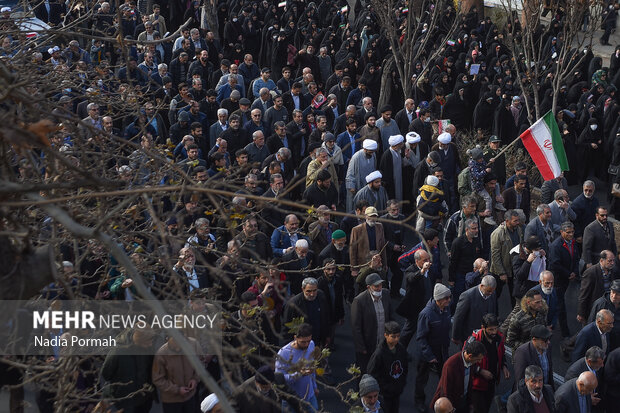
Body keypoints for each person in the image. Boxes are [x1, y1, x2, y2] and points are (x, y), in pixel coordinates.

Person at [415, 284, 452, 411]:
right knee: (422, 378)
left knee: (444, 376)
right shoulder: (426, 314)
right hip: (428, 353)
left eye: (449, 297)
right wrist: (429, 355)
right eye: (446, 298)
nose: (449, 300)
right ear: (438, 299)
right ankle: (419, 400)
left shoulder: (446, 309)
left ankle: (442, 400)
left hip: (442, 351)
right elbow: (421, 337)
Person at [101, 328, 156, 413]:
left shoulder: (147, 349)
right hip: (125, 400)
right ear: (139, 340)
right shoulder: (118, 351)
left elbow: (149, 370)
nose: (150, 344)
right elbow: (106, 374)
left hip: (143, 399)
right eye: (148, 342)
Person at [351, 273, 395, 373]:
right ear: (368, 287)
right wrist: (361, 347)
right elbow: (356, 327)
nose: (379, 288)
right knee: (365, 372)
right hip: (368, 345)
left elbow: (391, 317)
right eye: (376, 286)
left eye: (380, 285)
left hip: (383, 343)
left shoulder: (386, 294)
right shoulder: (359, 301)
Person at [466, 314, 509, 413]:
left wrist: (504, 366)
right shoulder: (474, 340)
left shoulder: (498, 338)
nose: (494, 332)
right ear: (483, 327)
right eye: (490, 330)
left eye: (495, 329)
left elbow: (501, 353)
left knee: (486, 406)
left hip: (491, 381)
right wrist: (480, 371)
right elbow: (466, 361)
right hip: (476, 384)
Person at [430, 340, 487, 413]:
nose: (479, 362)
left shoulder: (471, 362)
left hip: (463, 400)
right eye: (478, 359)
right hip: (452, 404)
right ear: (470, 356)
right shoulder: (451, 365)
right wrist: (450, 410)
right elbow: (446, 390)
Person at [275, 323, 319, 412]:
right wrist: (299, 374)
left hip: (309, 395)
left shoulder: (311, 344)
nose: (306, 344)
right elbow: (279, 379)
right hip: (291, 399)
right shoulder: (283, 353)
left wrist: (314, 386)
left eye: (308, 341)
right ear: (295, 338)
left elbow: (312, 368)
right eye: (303, 342)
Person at [152, 334, 201, 412]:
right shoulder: (161, 354)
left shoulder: (194, 344)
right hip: (171, 401)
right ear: (168, 340)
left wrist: (195, 379)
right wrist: (177, 390)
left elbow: (200, 364)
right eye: (175, 348)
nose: (178, 349)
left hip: (190, 396)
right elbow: (157, 379)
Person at [367, 321, 409, 413]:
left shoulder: (401, 349)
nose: (396, 339)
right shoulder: (379, 354)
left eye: (398, 336)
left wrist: (401, 384)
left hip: (396, 390)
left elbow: (405, 367)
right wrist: (384, 388)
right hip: (384, 394)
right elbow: (372, 374)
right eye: (393, 337)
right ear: (386, 335)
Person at [397, 249, 434, 349]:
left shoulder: (430, 269)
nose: (427, 262)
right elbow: (411, 278)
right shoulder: (411, 270)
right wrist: (422, 271)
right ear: (417, 261)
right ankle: (400, 351)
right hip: (415, 308)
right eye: (424, 260)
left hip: (427, 306)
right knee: (408, 332)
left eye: (428, 259)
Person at [549, 221, 580, 338]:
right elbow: (555, 264)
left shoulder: (573, 243)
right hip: (558, 280)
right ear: (561, 232)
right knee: (560, 306)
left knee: (558, 303)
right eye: (568, 232)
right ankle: (564, 333)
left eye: (572, 232)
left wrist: (575, 272)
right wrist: (568, 273)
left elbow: (576, 258)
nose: (571, 234)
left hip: (567, 278)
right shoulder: (556, 246)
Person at [282, 277, 331, 348]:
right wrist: (290, 347)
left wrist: (327, 335)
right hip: (302, 343)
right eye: (309, 291)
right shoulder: (293, 304)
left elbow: (326, 317)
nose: (312, 294)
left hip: (318, 340)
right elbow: (286, 328)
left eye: (314, 290)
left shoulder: (321, 296)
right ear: (303, 289)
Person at [449, 218, 484, 313]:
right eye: (473, 228)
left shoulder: (476, 241)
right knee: (458, 298)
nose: (476, 230)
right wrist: (451, 279)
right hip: (460, 275)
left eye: (477, 228)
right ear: (467, 229)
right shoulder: (458, 243)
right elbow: (453, 262)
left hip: (473, 275)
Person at [490, 209, 523, 307]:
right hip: (500, 271)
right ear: (507, 221)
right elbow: (495, 255)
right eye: (515, 221)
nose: (518, 223)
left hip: (514, 269)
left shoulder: (518, 229)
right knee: (495, 296)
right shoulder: (497, 233)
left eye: (518, 220)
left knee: (515, 295)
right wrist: (501, 273)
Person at [452, 276, 498, 345]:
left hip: (486, 336)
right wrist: (455, 337)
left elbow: (495, 311)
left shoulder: (492, 293)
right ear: (482, 286)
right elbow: (458, 318)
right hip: (470, 337)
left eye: (492, 291)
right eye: (488, 291)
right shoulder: (467, 296)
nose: (491, 293)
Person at [578, 250, 617, 325]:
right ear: (602, 260)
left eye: (613, 260)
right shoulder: (591, 272)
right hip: (595, 308)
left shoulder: (613, 272)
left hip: (609, 307)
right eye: (610, 261)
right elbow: (584, 294)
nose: (612, 263)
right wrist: (581, 313)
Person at [349, 207, 387, 281]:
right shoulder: (356, 230)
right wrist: (354, 268)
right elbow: (353, 251)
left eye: (374, 216)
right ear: (366, 216)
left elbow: (382, 245)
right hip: (363, 264)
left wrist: (384, 264)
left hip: (377, 263)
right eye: (371, 216)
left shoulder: (380, 226)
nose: (373, 218)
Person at [588, 279, 620, 350]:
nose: (614, 296)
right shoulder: (600, 304)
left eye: (617, 294)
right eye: (613, 292)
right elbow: (591, 323)